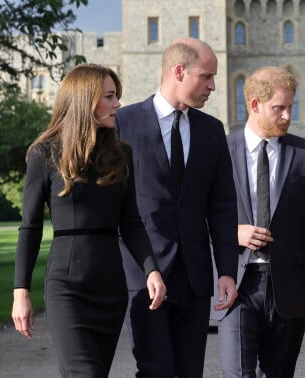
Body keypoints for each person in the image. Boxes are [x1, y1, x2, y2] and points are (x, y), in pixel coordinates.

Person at [11, 64, 166, 377]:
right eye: (109, 96)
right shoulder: (45, 153)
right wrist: (21, 292)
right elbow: (30, 227)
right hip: (67, 289)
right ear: (86, 100)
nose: (117, 104)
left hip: (110, 288)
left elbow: (132, 221)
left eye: (116, 96)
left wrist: (151, 270)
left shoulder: (121, 154)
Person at [115, 37, 239, 377]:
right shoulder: (123, 124)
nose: (213, 86)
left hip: (196, 277)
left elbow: (223, 207)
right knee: (156, 370)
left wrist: (227, 270)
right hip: (144, 275)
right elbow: (111, 203)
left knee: (188, 372)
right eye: (207, 76)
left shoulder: (212, 130)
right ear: (179, 71)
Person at [213, 66, 305, 377]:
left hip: (290, 285)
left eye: (290, 107)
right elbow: (194, 214)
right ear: (255, 105)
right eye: (278, 108)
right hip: (236, 282)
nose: (287, 116)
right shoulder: (219, 151)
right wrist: (232, 233)